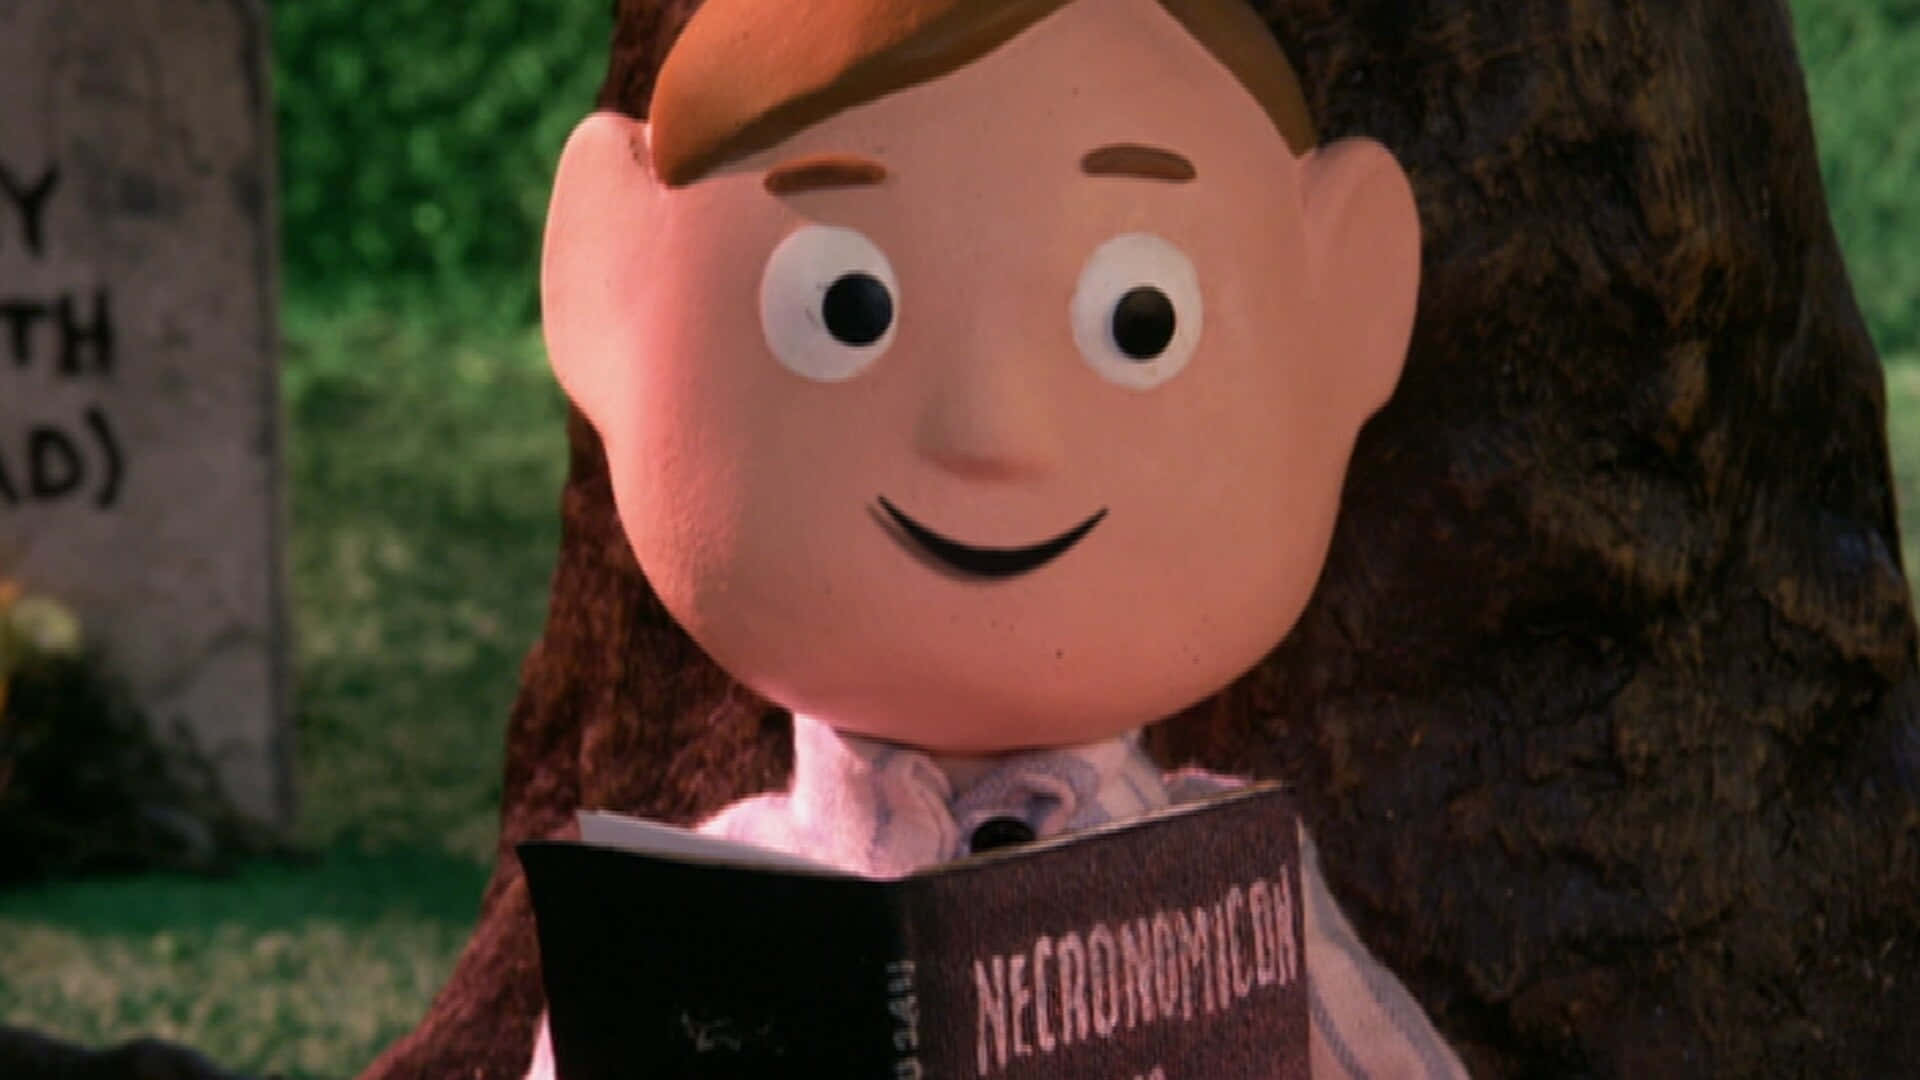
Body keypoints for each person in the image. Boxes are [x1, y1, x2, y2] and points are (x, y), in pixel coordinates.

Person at [532, 0, 1464, 1074]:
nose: (989, 430)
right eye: (846, 306)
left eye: (1141, 319)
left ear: (1347, 303)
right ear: (609, 291)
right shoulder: (684, 931)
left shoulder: (1239, 919)